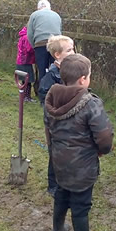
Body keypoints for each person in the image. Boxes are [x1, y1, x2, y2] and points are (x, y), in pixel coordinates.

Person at [44, 53, 113, 231]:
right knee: (81, 202)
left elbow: (48, 128)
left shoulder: (51, 98)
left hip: (59, 160)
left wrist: (54, 151)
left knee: (62, 193)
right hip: (82, 166)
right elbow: (104, 137)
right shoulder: (91, 103)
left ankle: (57, 229)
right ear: (83, 79)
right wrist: (102, 151)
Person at [38, 35, 75, 196]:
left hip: (70, 120)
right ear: (57, 55)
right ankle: (53, 185)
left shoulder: (72, 72)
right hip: (55, 122)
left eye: (73, 48)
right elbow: (45, 96)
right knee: (55, 153)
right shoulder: (52, 75)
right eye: (69, 50)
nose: (73, 52)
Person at [27, 0, 61, 87]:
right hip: (56, 44)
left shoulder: (34, 15)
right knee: (56, 69)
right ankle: (56, 91)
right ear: (50, 7)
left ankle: (43, 93)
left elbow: (30, 34)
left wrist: (34, 46)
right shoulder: (57, 15)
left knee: (42, 70)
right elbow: (60, 31)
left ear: (38, 8)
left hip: (40, 44)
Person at [15, 26, 35, 102]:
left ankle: (23, 96)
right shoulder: (27, 37)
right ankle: (27, 97)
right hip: (25, 61)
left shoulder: (22, 36)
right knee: (28, 80)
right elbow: (29, 49)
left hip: (21, 60)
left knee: (24, 80)